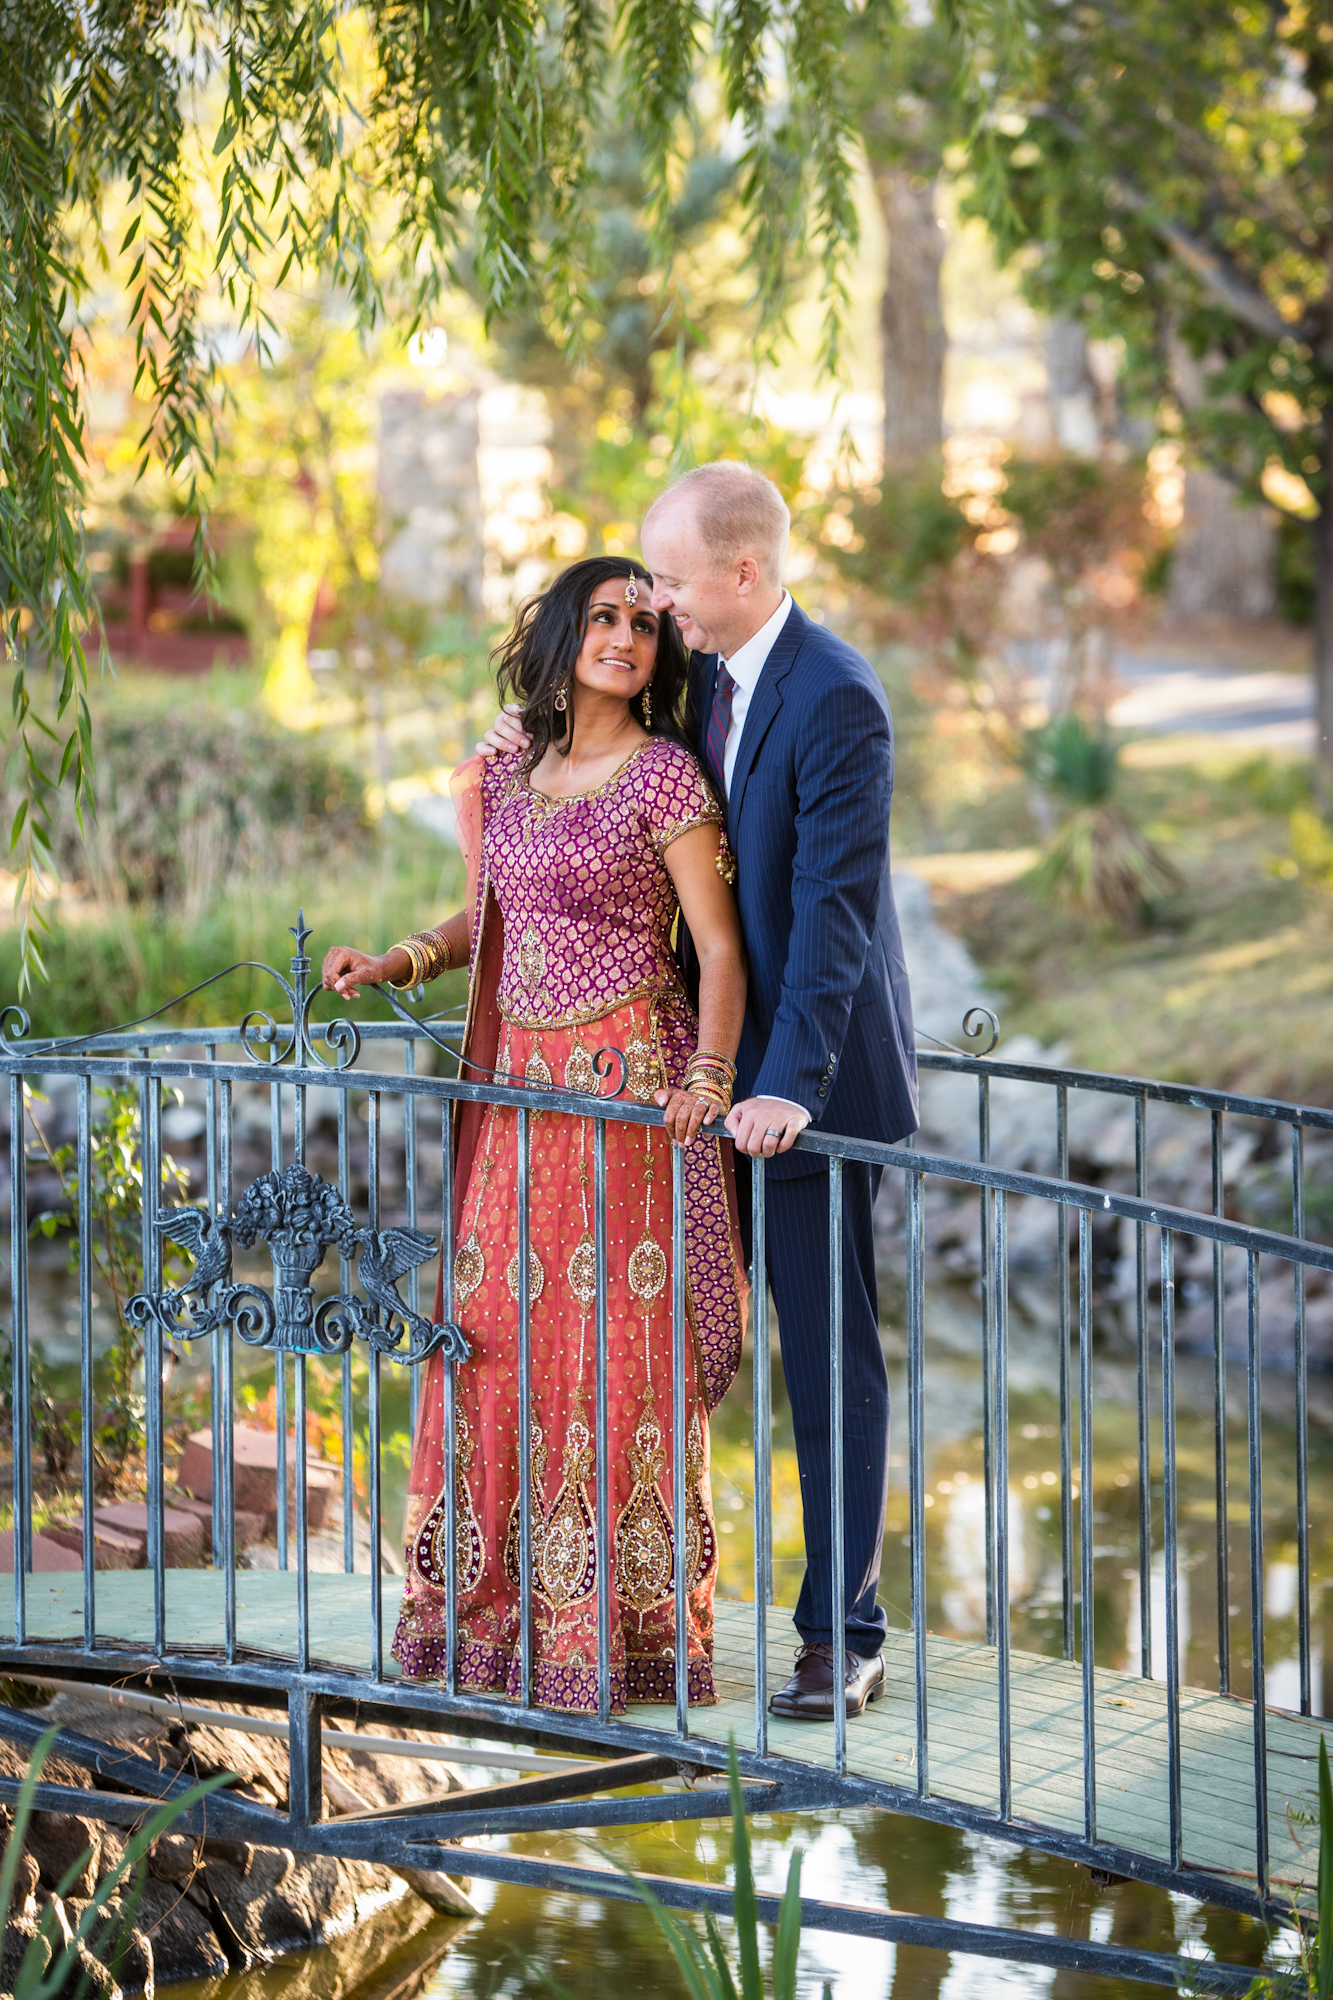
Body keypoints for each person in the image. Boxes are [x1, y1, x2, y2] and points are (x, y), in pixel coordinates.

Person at [482, 463, 918, 1721]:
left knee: (822, 1351)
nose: (654, 603)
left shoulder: (834, 696)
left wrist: (777, 1087)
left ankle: (844, 1630)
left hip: (803, 1088)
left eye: (668, 581)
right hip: (683, 1079)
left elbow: (833, 921)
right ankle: (613, 1609)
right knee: (656, 1338)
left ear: (740, 570)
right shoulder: (710, 687)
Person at [321, 556, 749, 1715]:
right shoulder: (514, 774)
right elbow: (491, 915)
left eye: (644, 625)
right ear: (561, 637)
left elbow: (715, 946)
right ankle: (488, 1618)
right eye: (601, 617)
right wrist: (396, 958)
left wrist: (707, 1075)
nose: (623, 637)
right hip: (518, 1095)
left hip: (625, 1099)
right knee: (495, 1336)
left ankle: (619, 1630)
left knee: (614, 1353)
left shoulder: (665, 777)